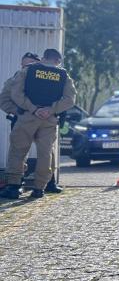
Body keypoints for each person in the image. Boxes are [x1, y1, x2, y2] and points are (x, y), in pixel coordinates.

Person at [1, 49, 76, 199]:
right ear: (58, 61)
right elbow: (70, 99)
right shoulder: (63, 75)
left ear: (43, 58)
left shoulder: (28, 71)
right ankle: (39, 188)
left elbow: (16, 93)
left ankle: (14, 187)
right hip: (49, 119)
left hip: (27, 117)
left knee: (18, 150)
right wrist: (51, 109)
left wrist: (33, 109)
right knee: (45, 153)